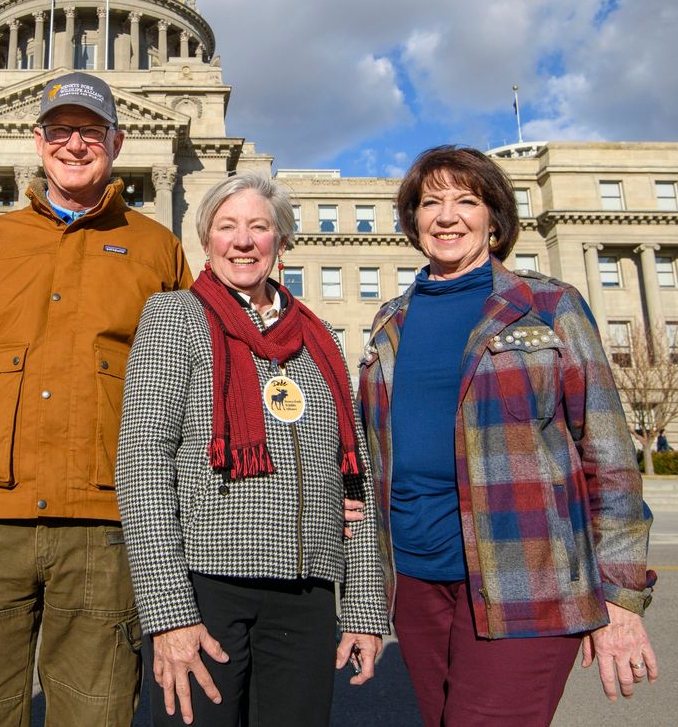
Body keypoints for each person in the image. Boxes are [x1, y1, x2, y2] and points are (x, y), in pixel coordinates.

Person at [0, 71, 191, 726]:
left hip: (106, 526)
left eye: (91, 130)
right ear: (37, 140)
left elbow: (187, 395)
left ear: (117, 140)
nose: (75, 144)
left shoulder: (158, 249)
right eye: (61, 129)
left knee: (97, 713)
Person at [357, 144, 658, 725]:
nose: (447, 216)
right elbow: (377, 451)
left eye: (466, 201)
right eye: (430, 203)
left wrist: (621, 596)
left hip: (526, 577)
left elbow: (611, 459)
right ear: (413, 221)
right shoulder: (389, 321)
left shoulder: (548, 307)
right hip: (416, 580)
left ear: (494, 218)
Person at [116, 174, 386, 726]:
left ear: (280, 241)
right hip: (207, 588)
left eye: (259, 227)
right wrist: (168, 614)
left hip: (306, 593)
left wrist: (362, 605)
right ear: (207, 240)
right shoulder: (174, 317)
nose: (243, 241)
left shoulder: (320, 341)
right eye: (227, 226)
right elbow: (143, 463)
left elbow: (352, 481)